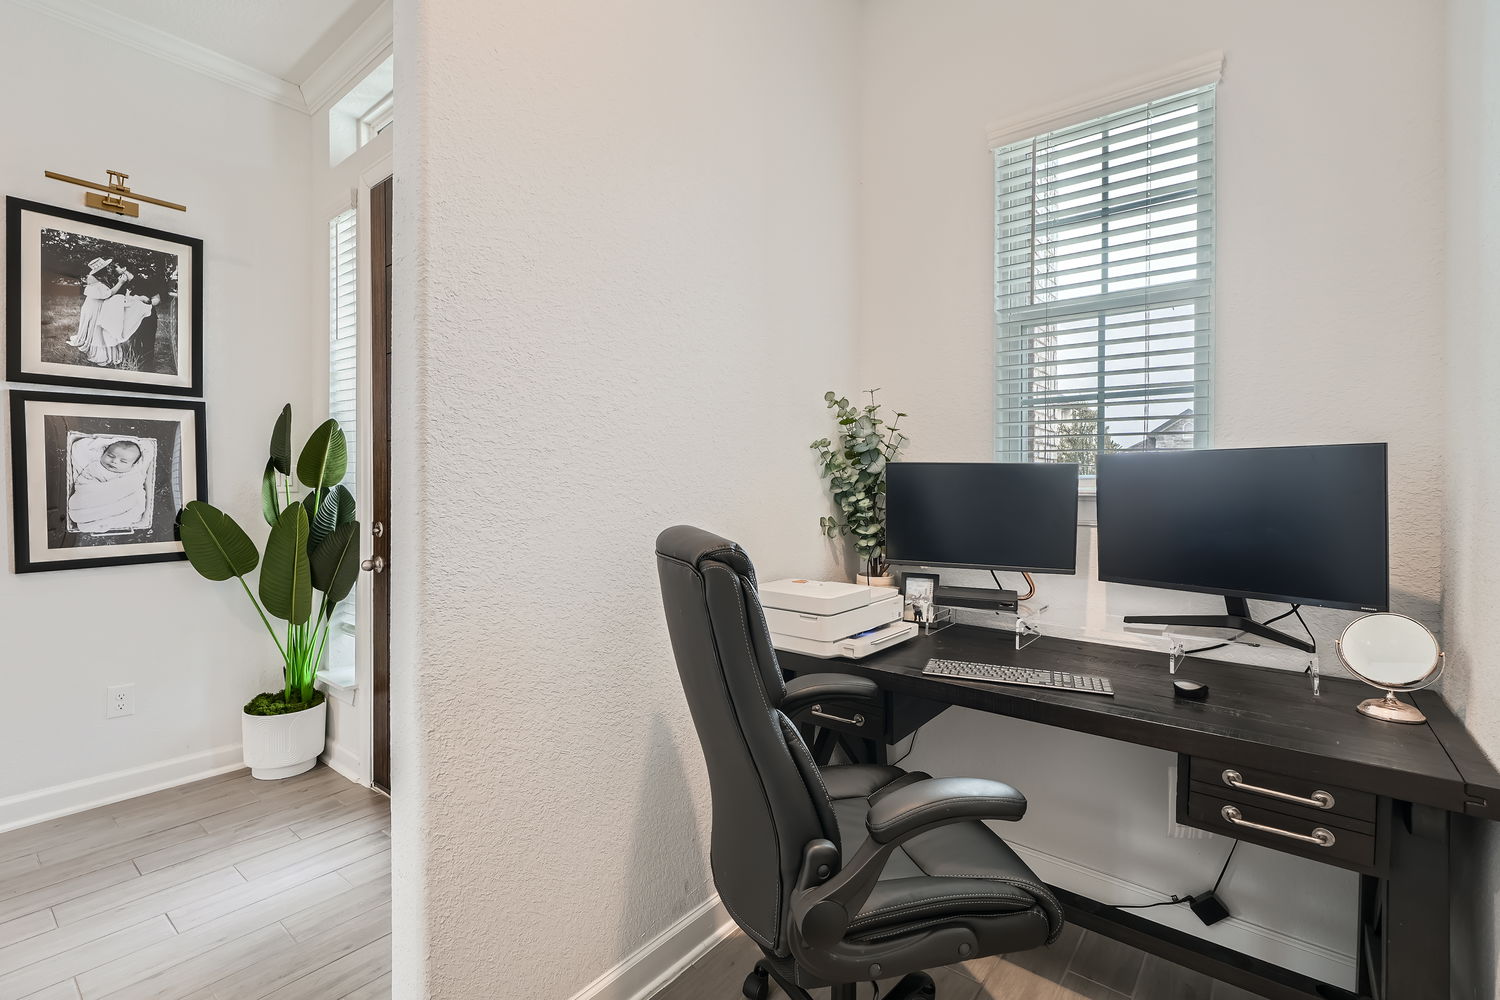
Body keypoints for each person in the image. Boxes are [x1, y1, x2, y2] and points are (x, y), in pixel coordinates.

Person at [68, 439, 150, 533]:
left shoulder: (133, 475)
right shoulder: (95, 468)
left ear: (132, 465)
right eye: (110, 456)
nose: (114, 461)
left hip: (120, 505)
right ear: (103, 453)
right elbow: (84, 484)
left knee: (135, 500)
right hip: (93, 501)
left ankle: (110, 520)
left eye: (123, 461)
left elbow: (135, 489)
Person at [66, 258, 125, 352]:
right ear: (102, 270)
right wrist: (120, 283)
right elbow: (108, 294)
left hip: (92, 305)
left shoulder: (98, 278)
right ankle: (92, 347)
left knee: (93, 327)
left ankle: (93, 344)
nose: (108, 269)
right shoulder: (93, 279)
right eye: (106, 267)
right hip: (94, 307)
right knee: (93, 326)